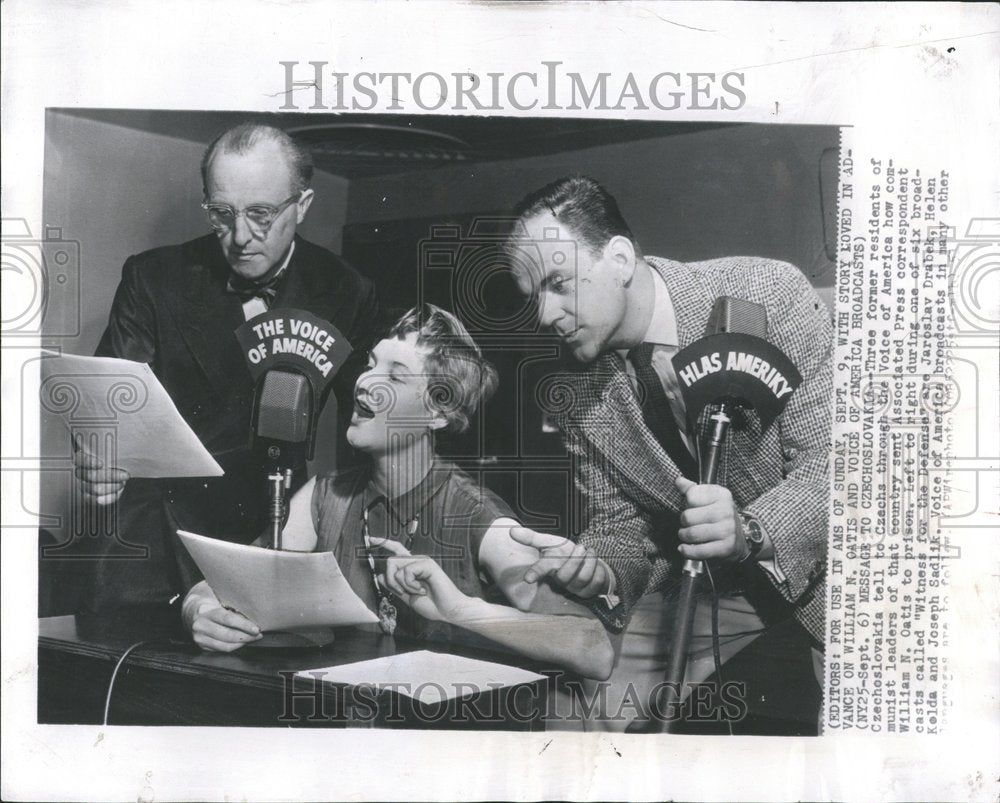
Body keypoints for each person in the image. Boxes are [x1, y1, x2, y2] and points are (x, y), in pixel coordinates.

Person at [504, 176, 831, 731]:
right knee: (577, 695)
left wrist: (750, 530)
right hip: (712, 591)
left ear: (621, 258)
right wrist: (599, 570)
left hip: (830, 575)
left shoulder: (769, 295)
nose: (544, 314)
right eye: (533, 295)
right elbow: (624, 525)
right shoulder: (576, 393)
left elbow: (839, 464)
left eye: (558, 283)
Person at [182, 305, 615, 683]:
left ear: (438, 412)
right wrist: (199, 612)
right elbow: (228, 585)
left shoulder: (474, 513)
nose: (365, 382)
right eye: (370, 364)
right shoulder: (324, 495)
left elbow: (592, 649)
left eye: (394, 374)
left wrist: (461, 610)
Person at [71, 122, 380, 614]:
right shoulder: (153, 278)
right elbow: (107, 406)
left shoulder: (347, 290)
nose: (239, 237)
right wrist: (96, 458)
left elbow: (366, 429)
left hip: (273, 526)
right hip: (154, 538)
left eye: (261, 214)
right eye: (222, 214)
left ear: (302, 206)